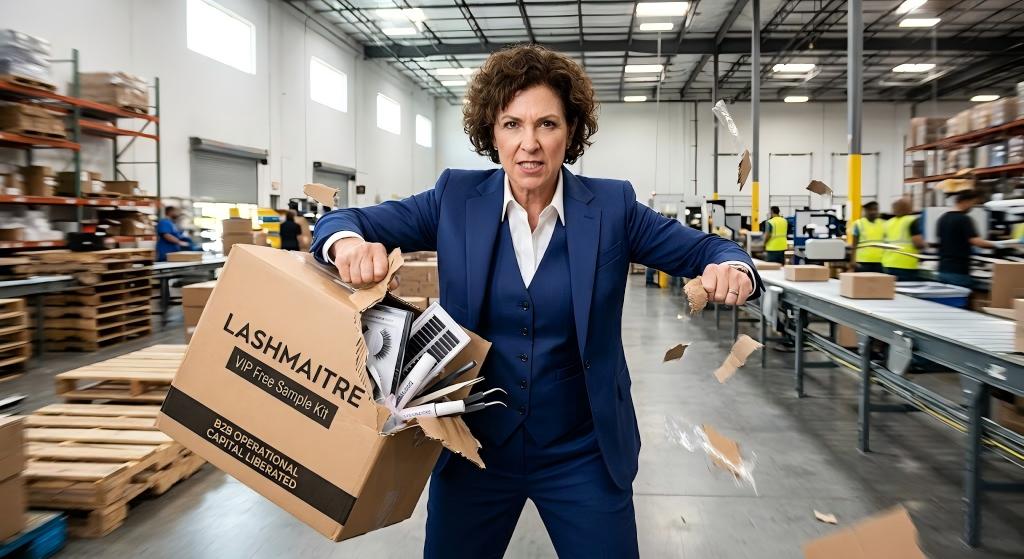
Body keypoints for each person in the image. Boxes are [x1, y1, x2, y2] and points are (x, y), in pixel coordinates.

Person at [312, 45, 762, 559]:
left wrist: (734, 269)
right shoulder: (455, 199)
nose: (529, 144)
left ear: (570, 131)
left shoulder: (612, 207)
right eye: (511, 124)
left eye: (546, 124)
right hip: (473, 447)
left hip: (583, 451)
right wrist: (348, 246)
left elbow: (712, 249)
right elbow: (341, 222)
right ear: (491, 132)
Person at [936, 190, 995, 288]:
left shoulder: (942, 218)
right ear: (965, 201)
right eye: (973, 203)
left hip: (943, 269)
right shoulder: (964, 219)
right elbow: (976, 241)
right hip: (958, 271)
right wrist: (999, 244)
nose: (972, 207)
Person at [881, 197, 924, 281]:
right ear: (907, 208)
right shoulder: (911, 220)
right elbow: (918, 244)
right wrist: (926, 245)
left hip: (888, 264)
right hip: (906, 265)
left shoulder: (887, 223)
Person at [851, 201, 886, 273]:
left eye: (876, 209)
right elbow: (854, 245)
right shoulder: (859, 224)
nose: (873, 212)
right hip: (863, 262)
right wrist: (853, 260)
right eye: (871, 209)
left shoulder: (883, 223)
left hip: (880, 262)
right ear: (865, 211)